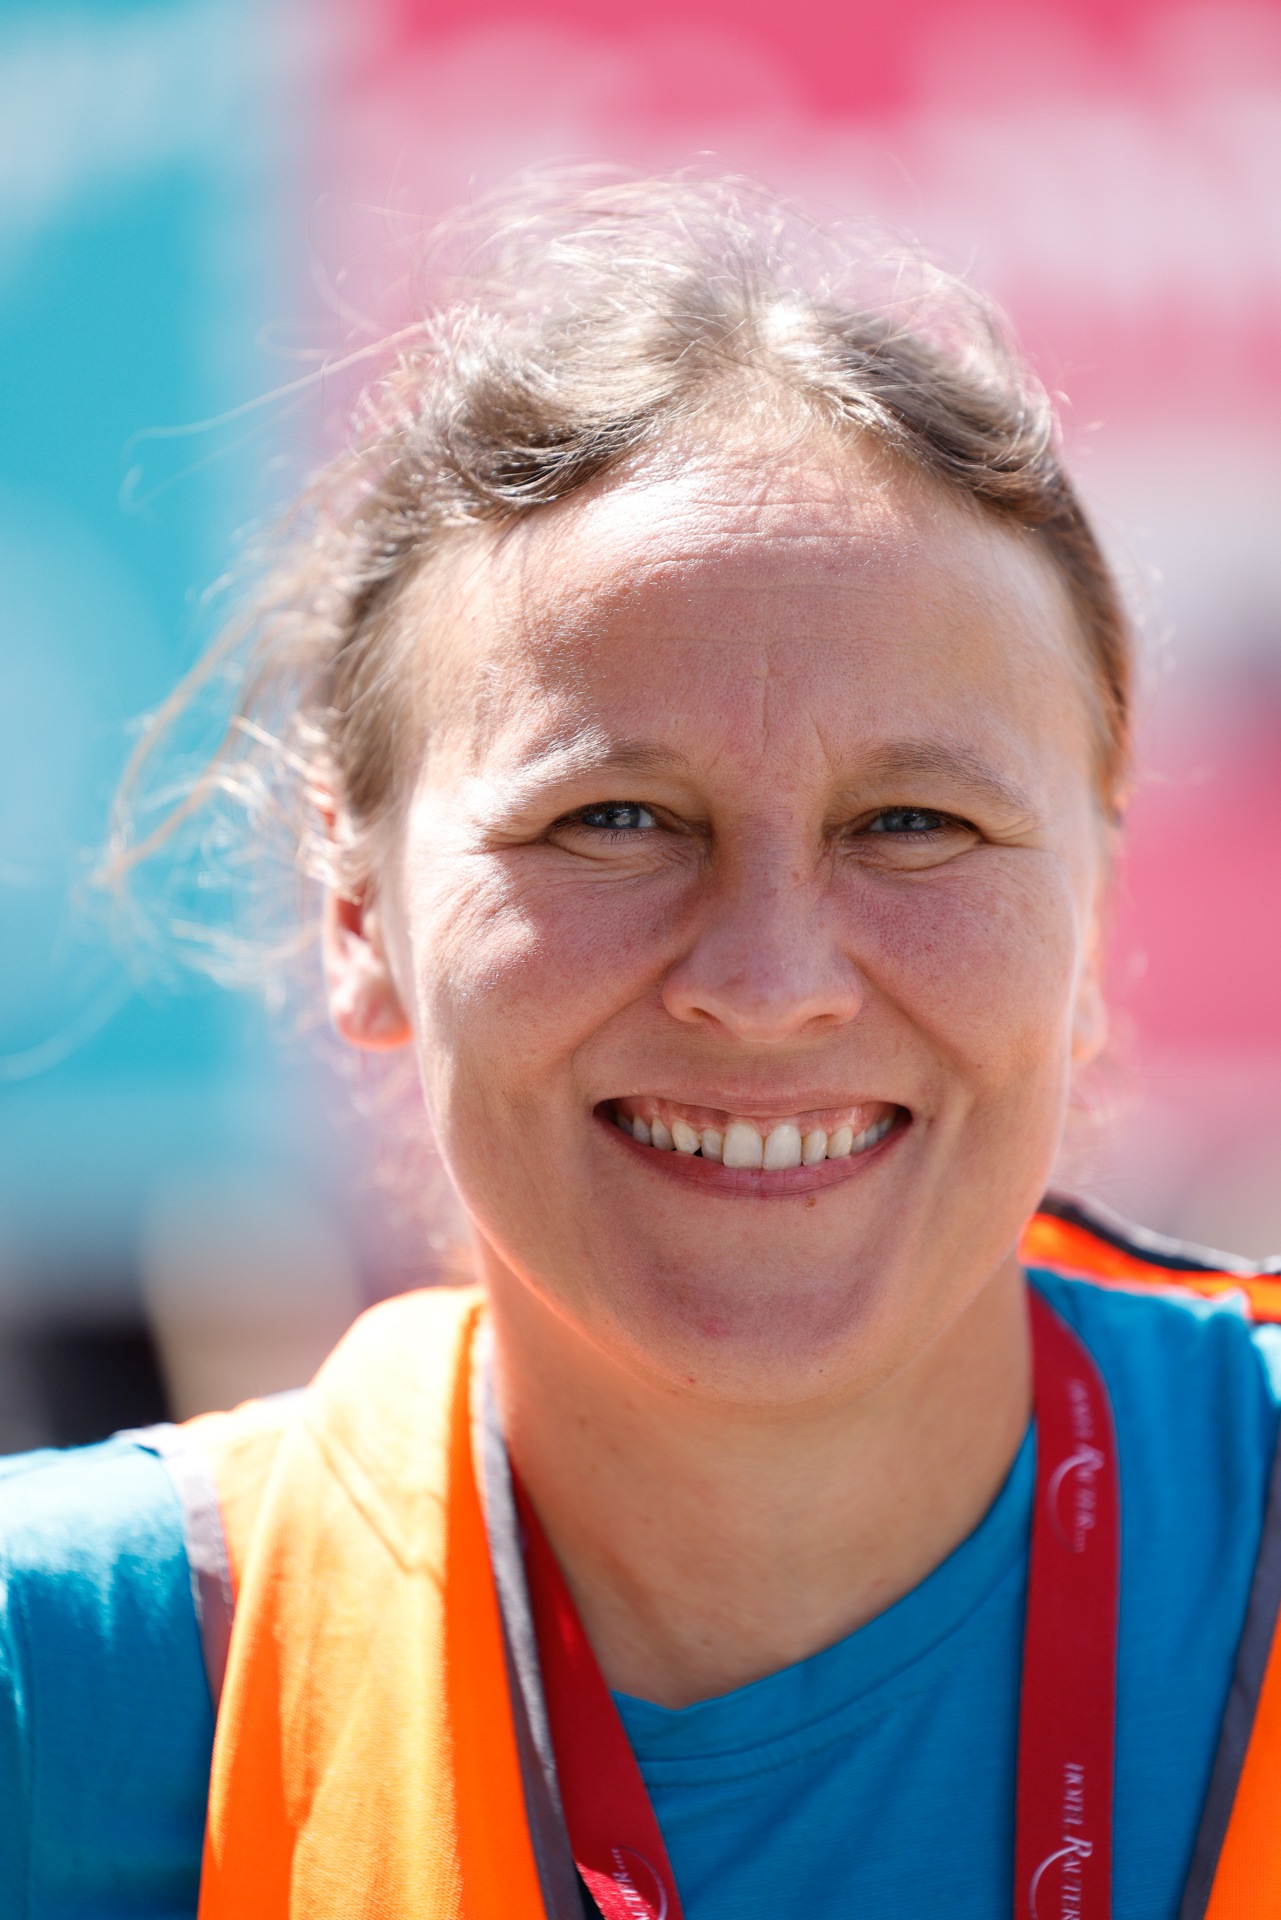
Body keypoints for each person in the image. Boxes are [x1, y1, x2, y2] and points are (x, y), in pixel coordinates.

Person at [2, 172, 1279, 1920]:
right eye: (613, 820)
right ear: (357, 910)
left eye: (912, 824)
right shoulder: (68, 1682)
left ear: (1093, 905)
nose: (767, 982)